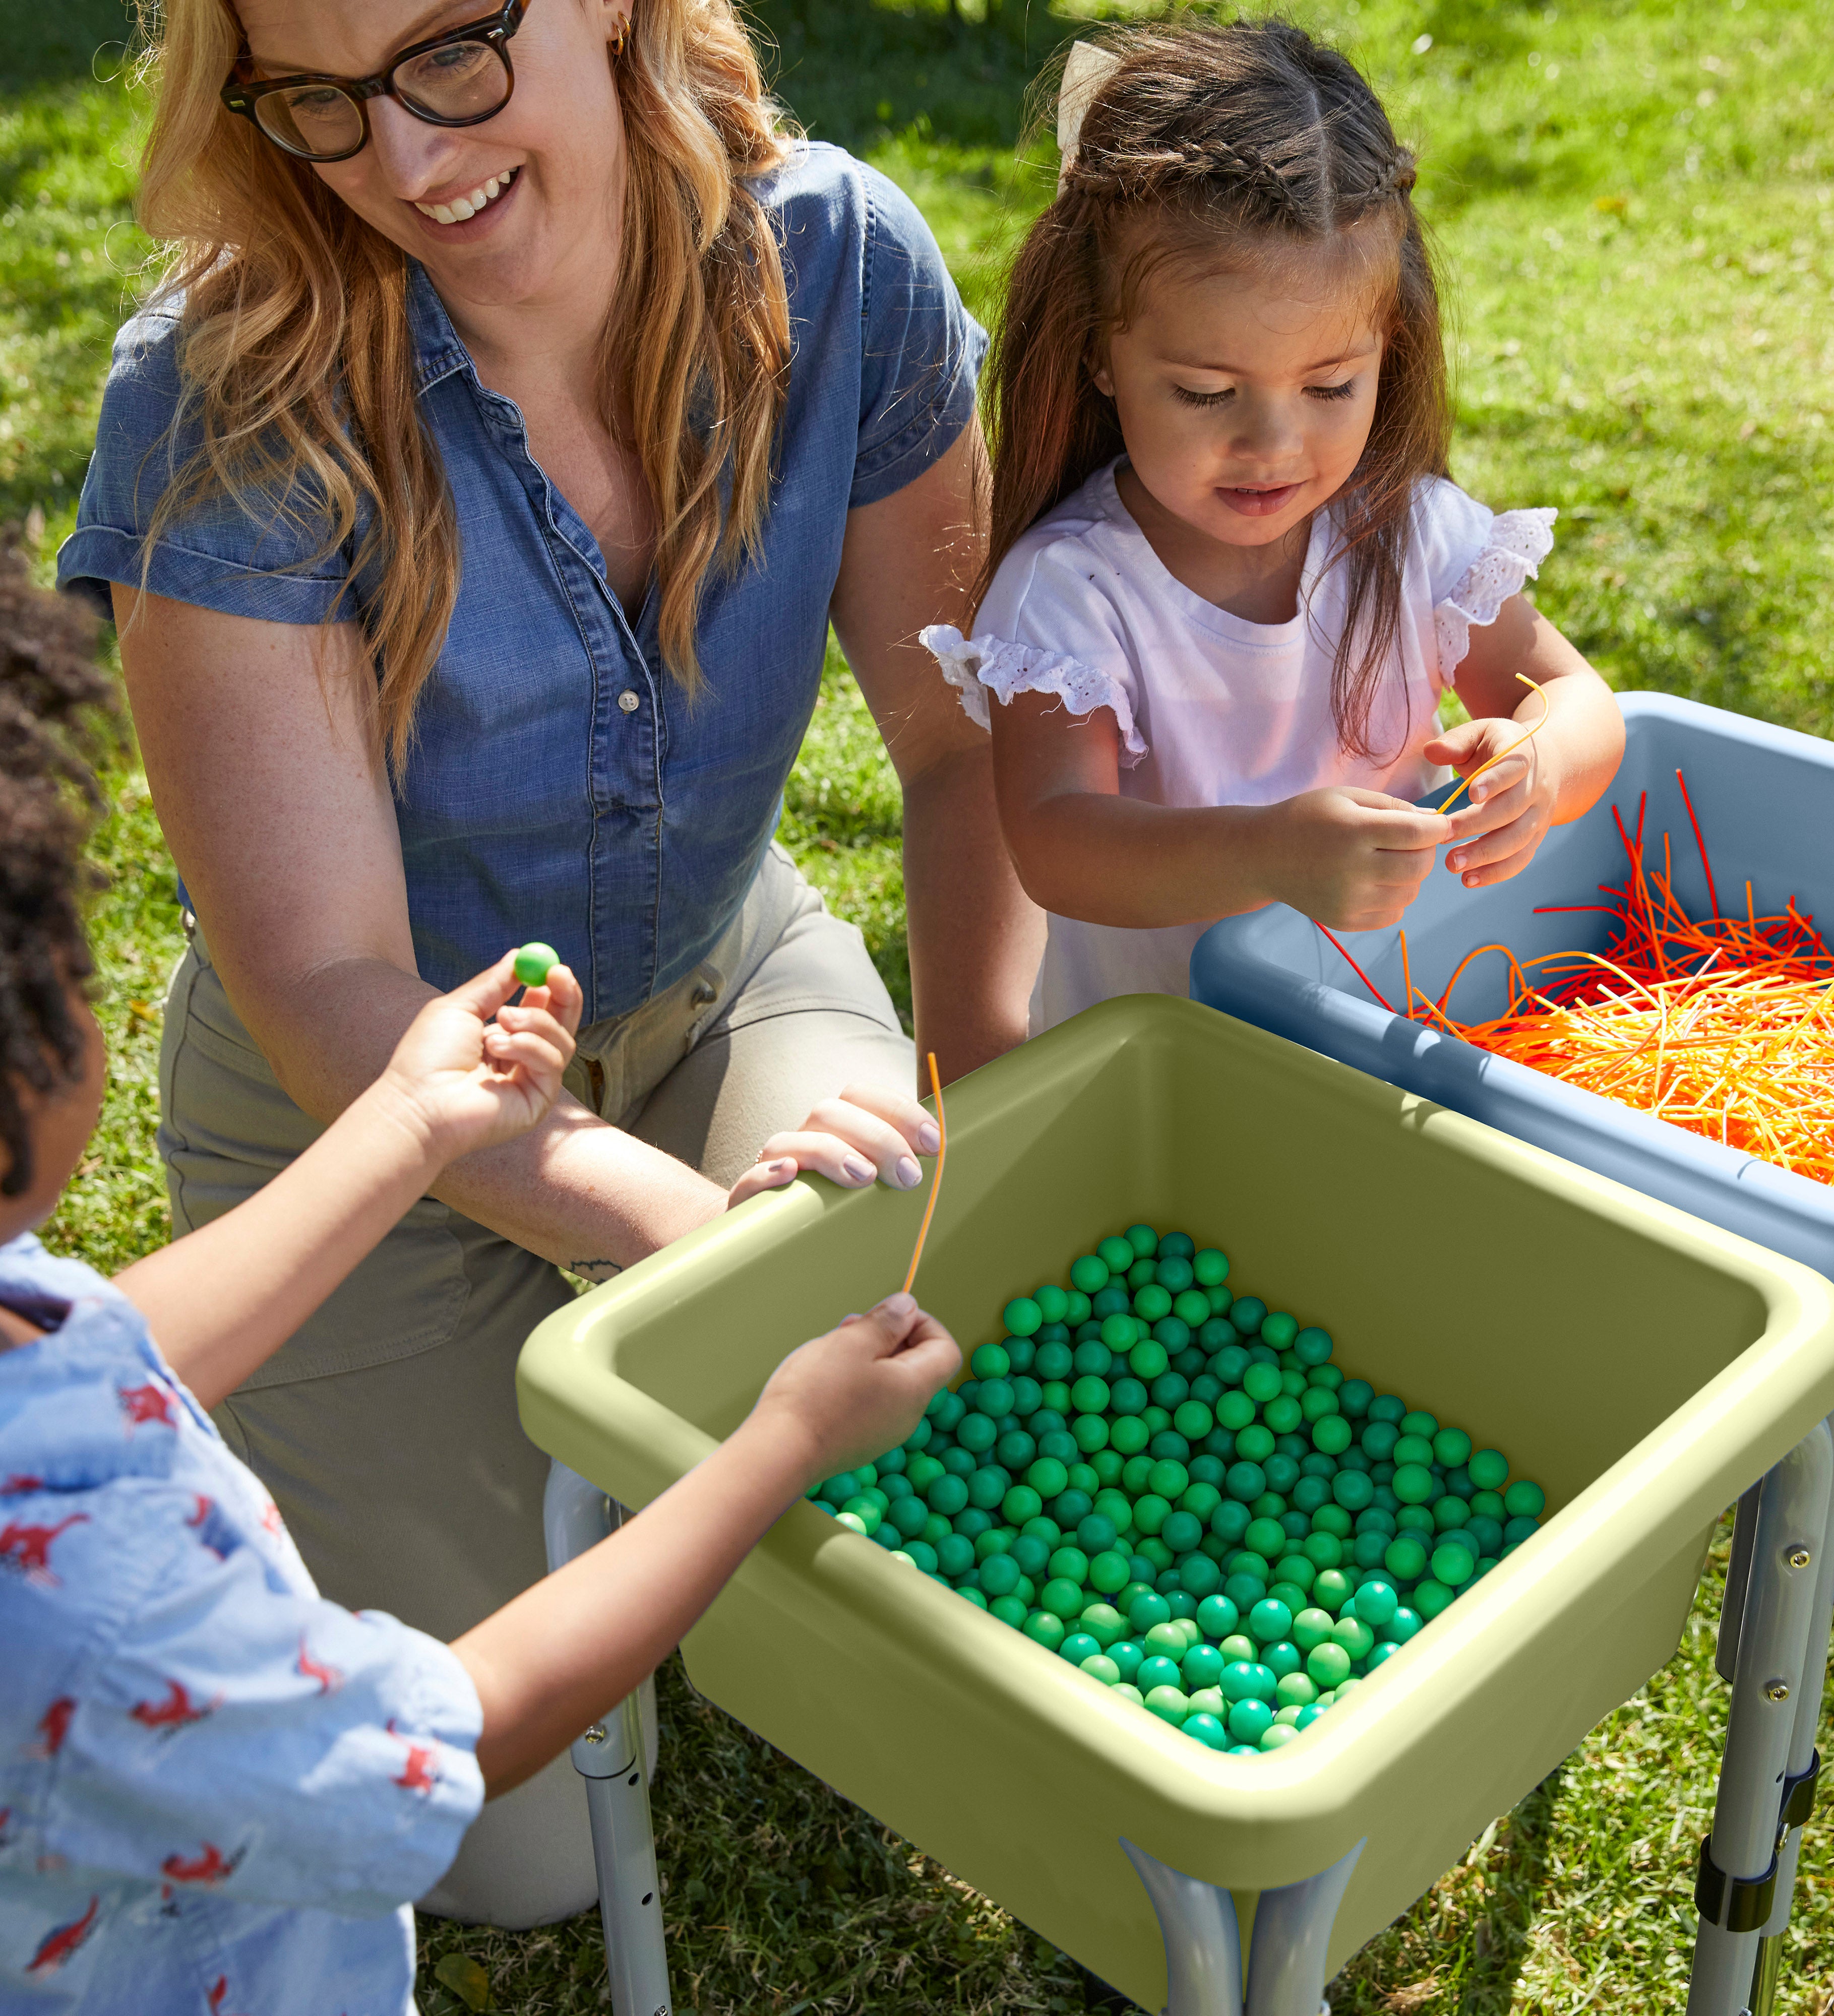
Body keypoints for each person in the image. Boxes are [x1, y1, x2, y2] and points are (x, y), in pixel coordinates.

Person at [56, 0, 1041, 1921]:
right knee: (514, 1863)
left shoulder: (841, 265)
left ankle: (635, 1449)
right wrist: (695, 1234)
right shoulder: (221, 390)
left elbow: (960, 744)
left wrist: (989, 1099)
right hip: (362, 1123)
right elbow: (337, 987)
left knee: (906, 1435)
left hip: (714, 988)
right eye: (320, 104)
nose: (410, 162)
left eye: (452, 56)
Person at [0, 540, 964, 2010]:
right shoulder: (108, 1610)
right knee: (529, 1849)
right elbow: (447, 1732)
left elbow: (105, 1354)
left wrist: (402, 1121)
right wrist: (781, 1444)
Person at [924, 21, 1625, 1034]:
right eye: (1206, 392)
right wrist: (1265, 853)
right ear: (1099, 356)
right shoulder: (1074, 590)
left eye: (1330, 384)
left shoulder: (1408, 534)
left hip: (1387, 1036)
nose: (1273, 442)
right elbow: (1054, 841)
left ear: (1389, 349)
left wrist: (1539, 763)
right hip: (1169, 1075)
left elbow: (1573, 695)